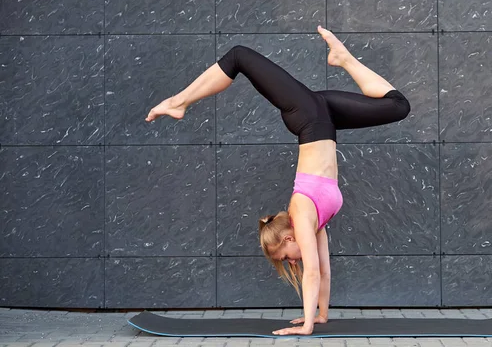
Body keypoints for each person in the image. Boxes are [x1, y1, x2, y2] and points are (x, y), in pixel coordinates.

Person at [146, 26, 410, 335]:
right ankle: (343, 58)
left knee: (239, 56)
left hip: (309, 116)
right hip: (322, 116)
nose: (292, 263)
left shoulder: (302, 214)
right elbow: (323, 270)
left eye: (286, 258)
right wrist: (321, 315)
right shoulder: (314, 222)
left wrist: (307, 326)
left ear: (287, 239)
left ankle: (179, 102)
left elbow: (311, 271)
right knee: (397, 106)